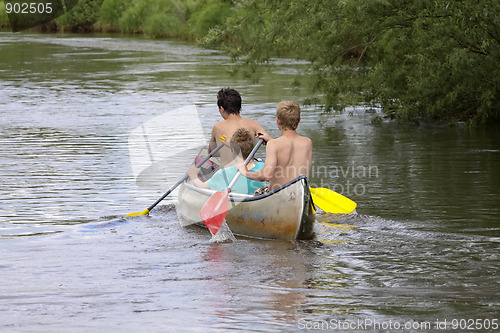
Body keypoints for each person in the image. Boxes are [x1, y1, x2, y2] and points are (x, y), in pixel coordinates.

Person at [238, 101, 312, 192]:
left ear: (278, 120)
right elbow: (290, 152)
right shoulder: (307, 143)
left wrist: (245, 172)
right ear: (299, 120)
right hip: (300, 192)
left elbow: (266, 175)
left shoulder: (273, 145)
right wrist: (271, 140)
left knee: (259, 191)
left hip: (278, 195)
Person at [188, 128, 266, 195]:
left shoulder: (223, 174)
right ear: (253, 149)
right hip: (257, 199)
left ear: (232, 150)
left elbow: (201, 186)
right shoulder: (264, 166)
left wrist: (193, 175)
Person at [209, 88, 267, 167]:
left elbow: (212, 153)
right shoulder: (254, 124)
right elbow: (271, 143)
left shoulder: (218, 126)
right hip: (248, 172)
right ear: (239, 106)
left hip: (227, 174)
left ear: (222, 109)